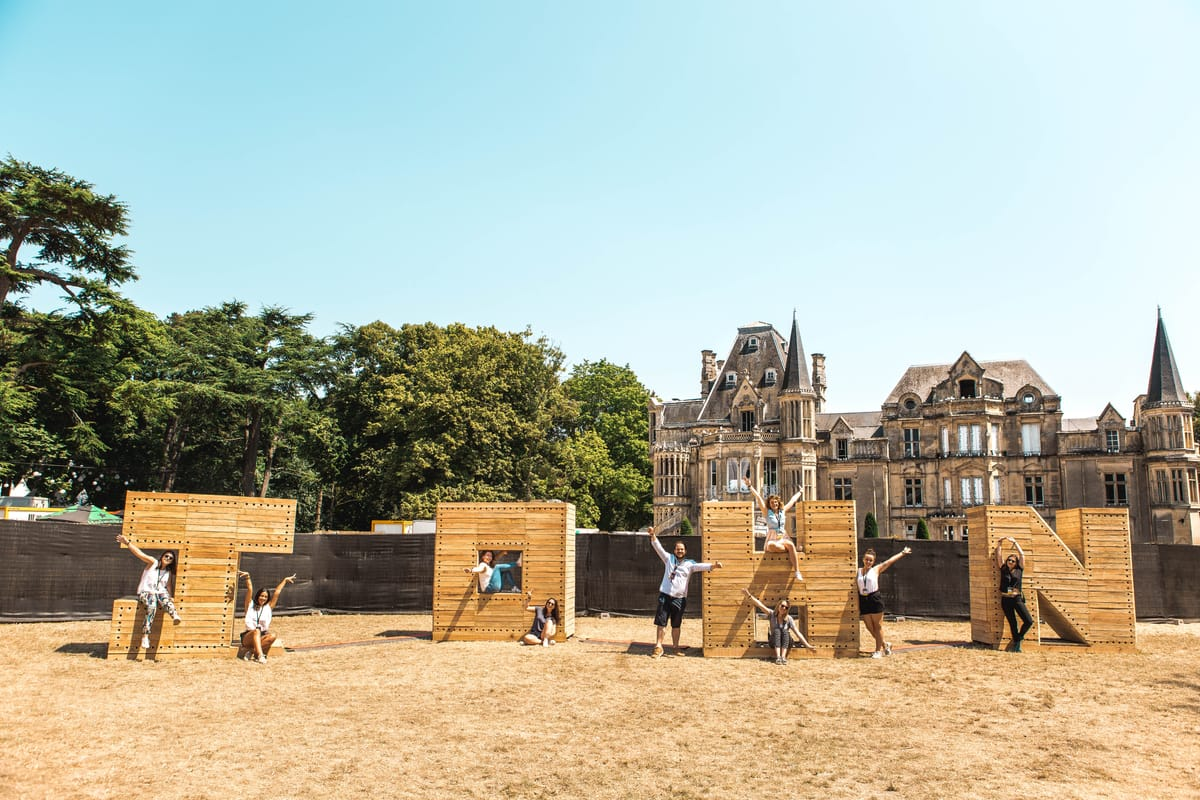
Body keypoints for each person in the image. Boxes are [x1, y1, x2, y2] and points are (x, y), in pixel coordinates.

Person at [648, 525, 722, 658]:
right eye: (677, 549)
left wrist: (714, 566)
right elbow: (658, 548)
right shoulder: (668, 559)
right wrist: (653, 535)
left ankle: (675, 647)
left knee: (676, 624)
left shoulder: (689, 564)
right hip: (665, 596)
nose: (680, 551)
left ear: (685, 551)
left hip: (679, 599)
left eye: (682, 549)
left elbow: (701, 566)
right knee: (661, 622)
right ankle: (658, 646)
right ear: (674, 550)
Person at [115, 533, 181, 651]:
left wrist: (171, 597)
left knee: (164, 597)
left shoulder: (167, 572)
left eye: (171, 558)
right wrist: (127, 543)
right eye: (166, 556)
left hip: (159, 593)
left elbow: (169, 586)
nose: (168, 559)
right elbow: (140, 554)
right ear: (162, 556)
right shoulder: (153, 563)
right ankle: (145, 636)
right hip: (146, 592)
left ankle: (174, 614)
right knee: (152, 606)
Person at [856, 546, 911, 658]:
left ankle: (878, 651)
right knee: (869, 626)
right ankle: (885, 644)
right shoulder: (858, 571)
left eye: (870, 560)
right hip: (863, 599)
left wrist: (902, 553)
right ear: (863, 559)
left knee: (877, 626)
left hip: (874, 598)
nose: (868, 562)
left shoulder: (876, 569)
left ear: (873, 561)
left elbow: (889, 561)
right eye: (866, 559)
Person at [748, 480, 805, 581]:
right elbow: (759, 498)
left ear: (778, 503)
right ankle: (788, 550)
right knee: (771, 545)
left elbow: (792, 501)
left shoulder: (782, 511)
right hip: (773, 537)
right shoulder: (767, 512)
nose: (774, 504)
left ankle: (797, 571)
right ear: (769, 504)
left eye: (775, 502)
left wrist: (800, 492)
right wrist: (750, 486)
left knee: (791, 545)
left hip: (782, 536)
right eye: (772, 502)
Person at [236, 570, 296, 663]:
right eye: (261, 596)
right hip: (249, 636)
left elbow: (277, 592)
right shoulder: (250, 605)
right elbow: (250, 589)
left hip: (262, 635)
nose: (263, 598)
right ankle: (260, 656)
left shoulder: (268, 607)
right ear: (257, 596)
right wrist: (247, 577)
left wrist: (284, 580)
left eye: (265, 597)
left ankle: (251, 651)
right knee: (256, 631)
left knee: (273, 636)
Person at [742, 587, 814, 664]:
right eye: (782, 606)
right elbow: (760, 605)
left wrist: (807, 645)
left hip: (786, 642)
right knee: (777, 631)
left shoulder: (789, 618)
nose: (783, 608)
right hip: (774, 641)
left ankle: (783, 657)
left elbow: (797, 633)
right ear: (778, 605)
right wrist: (749, 596)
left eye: (786, 607)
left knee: (784, 631)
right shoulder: (772, 614)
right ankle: (778, 657)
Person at [995, 536, 1033, 652]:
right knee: (1013, 623)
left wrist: (1015, 542)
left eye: (1012, 561)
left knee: (1028, 621)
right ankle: (1017, 644)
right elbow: (999, 556)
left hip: (1016, 598)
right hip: (1006, 600)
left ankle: (1019, 637)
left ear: (1016, 563)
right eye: (1009, 560)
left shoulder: (1019, 569)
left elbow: (1022, 555)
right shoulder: (1003, 569)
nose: (1010, 562)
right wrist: (1000, 543)